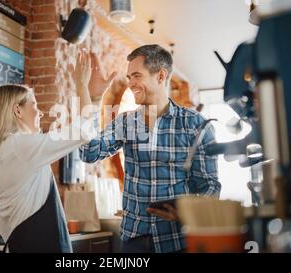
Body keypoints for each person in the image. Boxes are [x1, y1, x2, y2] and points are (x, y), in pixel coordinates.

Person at [79, 44, 221, 253]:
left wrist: (189, 211)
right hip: (133, 241)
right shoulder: (125, 123)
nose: (131, 84)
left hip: (178, 240)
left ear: (161, 76)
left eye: (136, 76)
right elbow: (89, 153)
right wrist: (92, 98)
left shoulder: (196, 124)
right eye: (129, 78)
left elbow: (209, 186)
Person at [0, 51, 109, 253]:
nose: (40, 112)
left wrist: (93, 98)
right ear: (17, 111)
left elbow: (84, 131)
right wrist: (83, 87)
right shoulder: (20, 146)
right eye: (34, 105)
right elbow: (84, 131)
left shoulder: (7, 148)